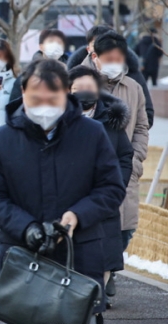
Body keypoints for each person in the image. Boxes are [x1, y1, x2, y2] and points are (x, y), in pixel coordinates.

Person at [0, 59, 126, 323]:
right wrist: (27, 227)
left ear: (67, 92)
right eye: (36, 98)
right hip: (22, 256)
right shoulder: (2, 139)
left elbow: (111, 187)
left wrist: (76, 216)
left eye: (52, 98)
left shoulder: (92, 133)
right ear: (23, 92)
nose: (44, 106)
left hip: (80, 254)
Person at [69, 65, 134, 308]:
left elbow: (125, 157)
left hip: (103, 200)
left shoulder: (111, 119)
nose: (84, 92)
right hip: (69, 202)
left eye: (89, 87)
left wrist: (116, 186)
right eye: (78, 88)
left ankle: (96, 300)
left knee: (105, 256)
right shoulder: (58, 120)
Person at [85, 32, 149, 252]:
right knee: (90, 230)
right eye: (109, 59)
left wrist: (136, 158)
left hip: (124, 170)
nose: (114, 64)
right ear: (95, 57)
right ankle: (102, 278)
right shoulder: (80, 83)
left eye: (118, 59)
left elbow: (141, 126)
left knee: (123, 230)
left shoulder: (133, 87)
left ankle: (109, 271)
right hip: (87, 170)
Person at [67, 25, 154, 128]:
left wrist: (131, 139)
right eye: (97, 43)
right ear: (89, 48)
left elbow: (145, 117)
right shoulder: (75, 77)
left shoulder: (133, 76)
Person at [9, 29, 68, 101]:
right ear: (41, 47)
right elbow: (14, 104)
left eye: (59, 43)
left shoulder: (70, 71)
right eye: (51, 42)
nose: (55, 46)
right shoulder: (28, 73)